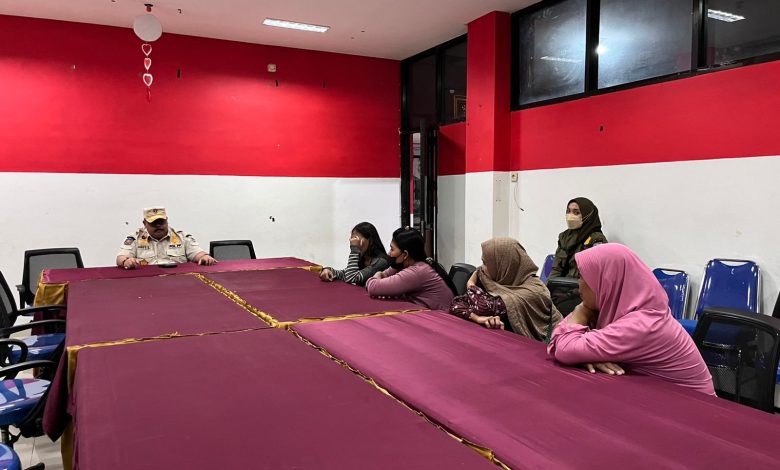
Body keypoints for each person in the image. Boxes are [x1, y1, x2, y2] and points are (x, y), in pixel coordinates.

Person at [547, 243, 715, 396]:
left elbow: (565, 349)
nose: (579, 284)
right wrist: (585, 355)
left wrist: (580, 315)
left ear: (606, 282)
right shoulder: (612, 309)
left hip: (696, 406)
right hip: (656, 396)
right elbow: (557, 340)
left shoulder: (644, 323)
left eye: (584, 277)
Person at [449, 237, 562, 341]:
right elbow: (456, 304)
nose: (481, 268)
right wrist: (477, 318)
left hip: (545, 347)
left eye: (485, 263)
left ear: (504, 265)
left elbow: (483, 307)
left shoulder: (534, 290)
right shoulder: (495, 282)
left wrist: (470, 285)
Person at [366, 227, 456, 310]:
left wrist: (377, 274)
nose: (389, 253)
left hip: (443, 318)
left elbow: (373, 287)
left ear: (405, 254)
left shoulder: (417, 272)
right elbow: (385, 275)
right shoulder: (407, 264)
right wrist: (381, 275)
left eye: (392, 249)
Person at [116, 207, 217, 269]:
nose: (158, 226)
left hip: (179, 279)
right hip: (147, 280)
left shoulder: (181, 237)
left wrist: (204, 257)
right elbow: (120, 258)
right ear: (144, 223)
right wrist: (126, 261)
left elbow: (198, 253)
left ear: (167, 220)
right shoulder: (136, 238)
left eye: (161, 222)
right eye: (153, 223)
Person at [549, 197, 607, 279]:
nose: (570, 215)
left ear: (587, 215)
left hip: (582, 285)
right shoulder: (564, 236)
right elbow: (556, 269)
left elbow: (596, 273)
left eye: (576, 212)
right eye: (568, 211)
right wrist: (550, 285)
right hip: (562, 283)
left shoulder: (596, 239)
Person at [320, 222, 389, 286]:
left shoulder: (381, 262)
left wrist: (354, 250)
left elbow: (351, 278)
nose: (353, 242)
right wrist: (328, 270)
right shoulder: (363, 257)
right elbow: (346, 274)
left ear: (370, 241)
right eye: (352, 239)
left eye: (356, 239)